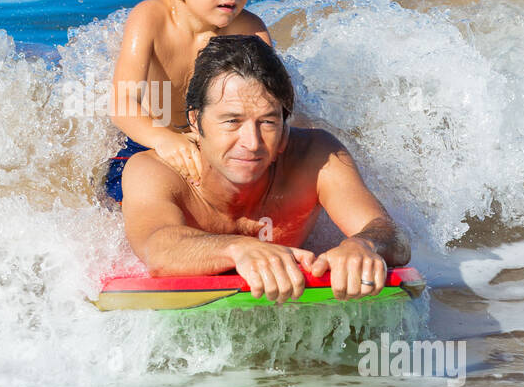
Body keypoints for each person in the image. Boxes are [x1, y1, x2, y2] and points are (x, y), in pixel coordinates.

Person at [120, 35, 411, 302]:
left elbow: (393, 236)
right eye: (232, 121)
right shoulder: (155, 171)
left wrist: (363, 245)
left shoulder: (316, 156)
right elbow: (157, 250)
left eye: (268, 122)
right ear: (195, 121)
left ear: (285, 127)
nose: (252, 142)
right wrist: (239, 248)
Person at [104, 0, 272, 201]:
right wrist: (164, 139)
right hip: (151, 145)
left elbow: (271, 105)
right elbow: (122, 103)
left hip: (222, 148)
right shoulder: (150, 20)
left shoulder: (250, 31)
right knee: (132, 190)